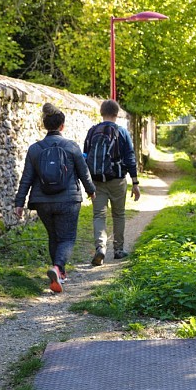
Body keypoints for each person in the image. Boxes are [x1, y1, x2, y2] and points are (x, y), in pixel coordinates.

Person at [14, 103, 96, 293]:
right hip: (68, 200)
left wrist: (19, 202)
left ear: (44, 125)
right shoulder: (71, 147)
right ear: (62, 126)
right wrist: (91, 191)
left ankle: (59, 274)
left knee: (54, 236)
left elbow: (26, 178)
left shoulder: (35, 149)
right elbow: (84, 173)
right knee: (67, 238)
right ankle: (58, 268)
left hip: (42, 201)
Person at [84, 99, 141, 266]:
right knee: (119, 214)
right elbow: (130, 157)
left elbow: (85, 155)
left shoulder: (92, 131)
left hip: (97, 180)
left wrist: (87, 182)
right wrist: (135, 182)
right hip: (117, 179)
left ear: (101, 113)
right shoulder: (122, 132)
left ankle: (100, 248)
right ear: (117, 114)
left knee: (99, 215)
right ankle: (118, 249)